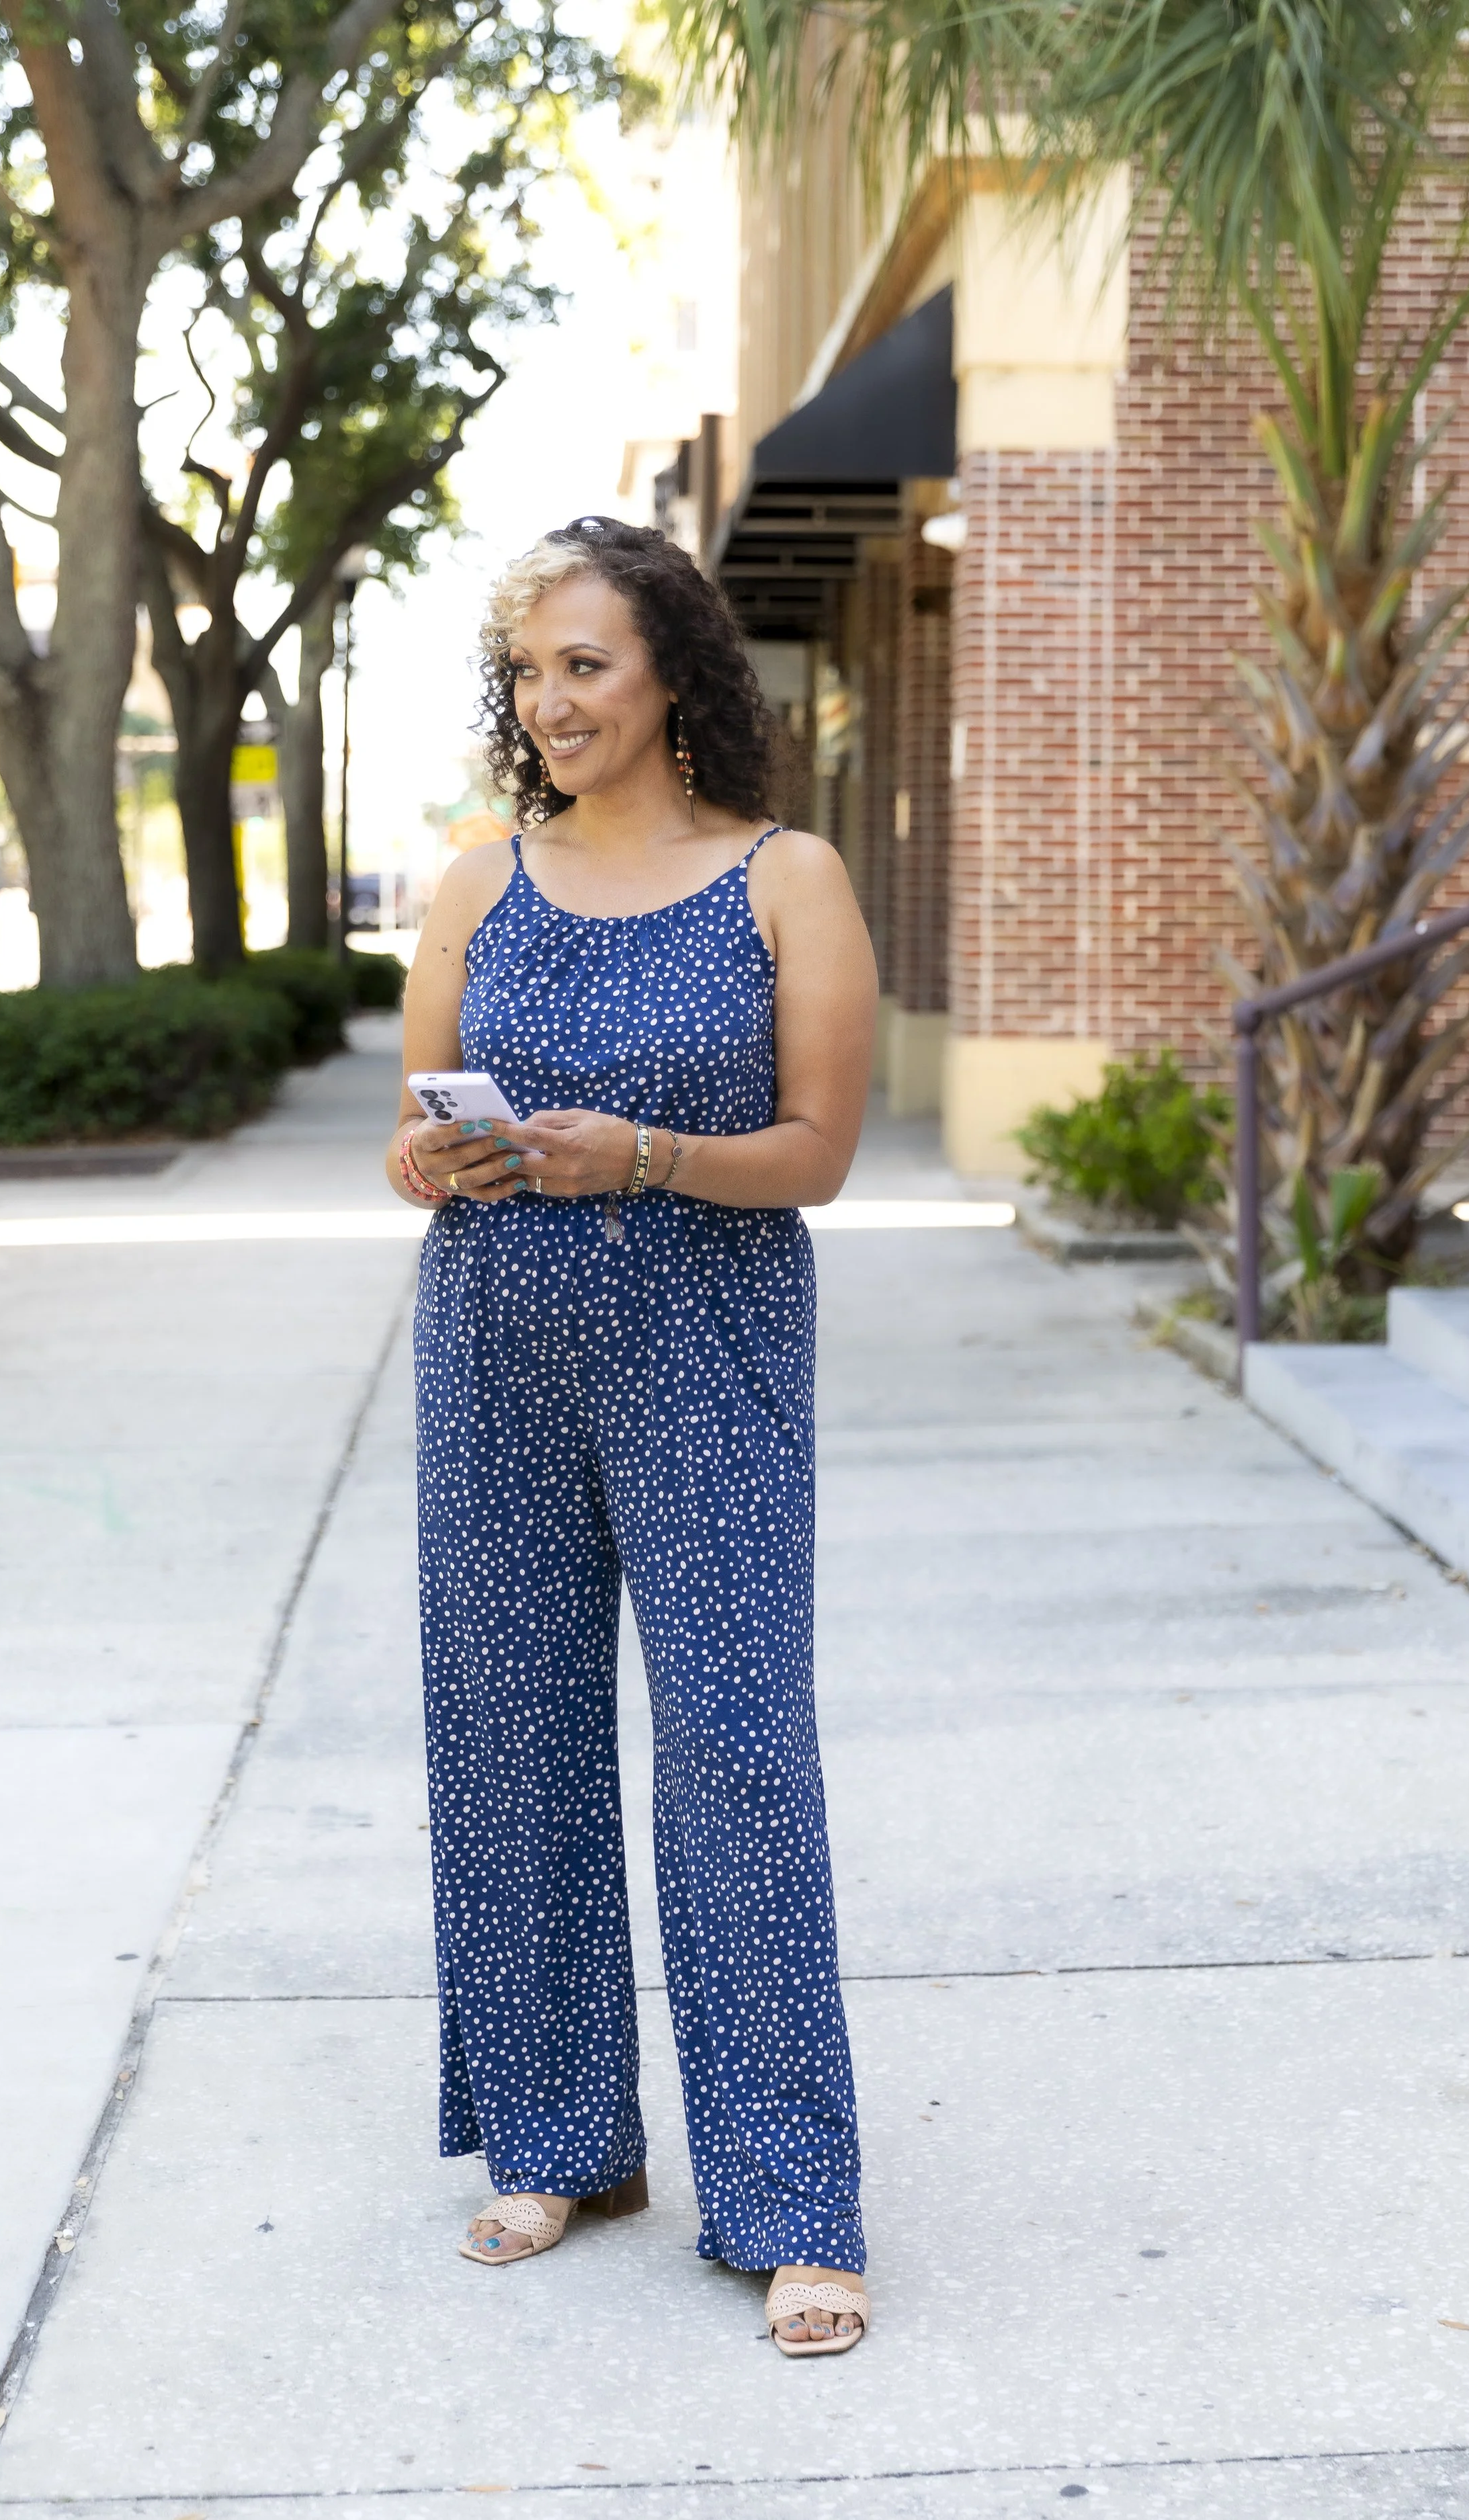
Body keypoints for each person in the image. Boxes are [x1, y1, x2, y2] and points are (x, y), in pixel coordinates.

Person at [386, 517, 878, 2357]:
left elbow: (819, 1152)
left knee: (739, 1752)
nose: (550, 699)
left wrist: (646, 1152)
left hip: (708, 1352)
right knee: (507, 1736)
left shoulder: (782, 876)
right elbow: (405, 1136)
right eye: (526, 671)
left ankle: (789, 2194)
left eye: (583, 663)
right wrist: (440, 1153)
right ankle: (558, 2136)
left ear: (672, 667)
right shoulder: (473, 881)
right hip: (491, 1355)